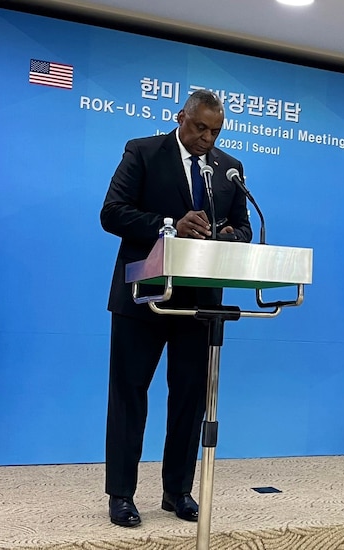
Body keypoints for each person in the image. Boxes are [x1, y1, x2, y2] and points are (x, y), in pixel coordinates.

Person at [100, 89, 252, 527]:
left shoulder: (229, 170)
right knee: (130, 397)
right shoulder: (143, 152)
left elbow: (242, 227)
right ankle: (122, 495)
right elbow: (112, 213)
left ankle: (177, 491)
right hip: (143, 297)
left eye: (216, 131)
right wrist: (169, 225)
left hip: (201, 302)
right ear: (180, 117)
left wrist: (227, 236)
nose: (207, 138)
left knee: (189, 398)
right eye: (200, 127)